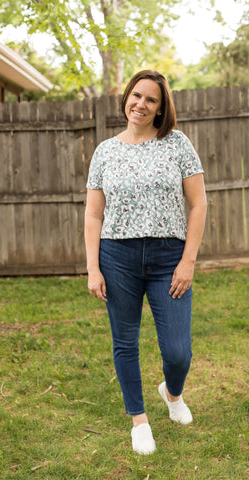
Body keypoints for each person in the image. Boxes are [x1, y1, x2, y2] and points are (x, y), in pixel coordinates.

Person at [84, 70, 207, 455]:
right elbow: (92, 214)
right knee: (125, 342)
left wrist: (188, 261)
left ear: (160, 108)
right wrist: (93, 266)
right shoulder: (105, 150)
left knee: (177, 352)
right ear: (126, 98)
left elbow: (199, 203)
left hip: (169, 258)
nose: (140, 104)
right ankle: (139, 420)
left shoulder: (176, 144)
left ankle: (172, 393)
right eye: (136, 95)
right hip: (117, 256)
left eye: (151, 99)